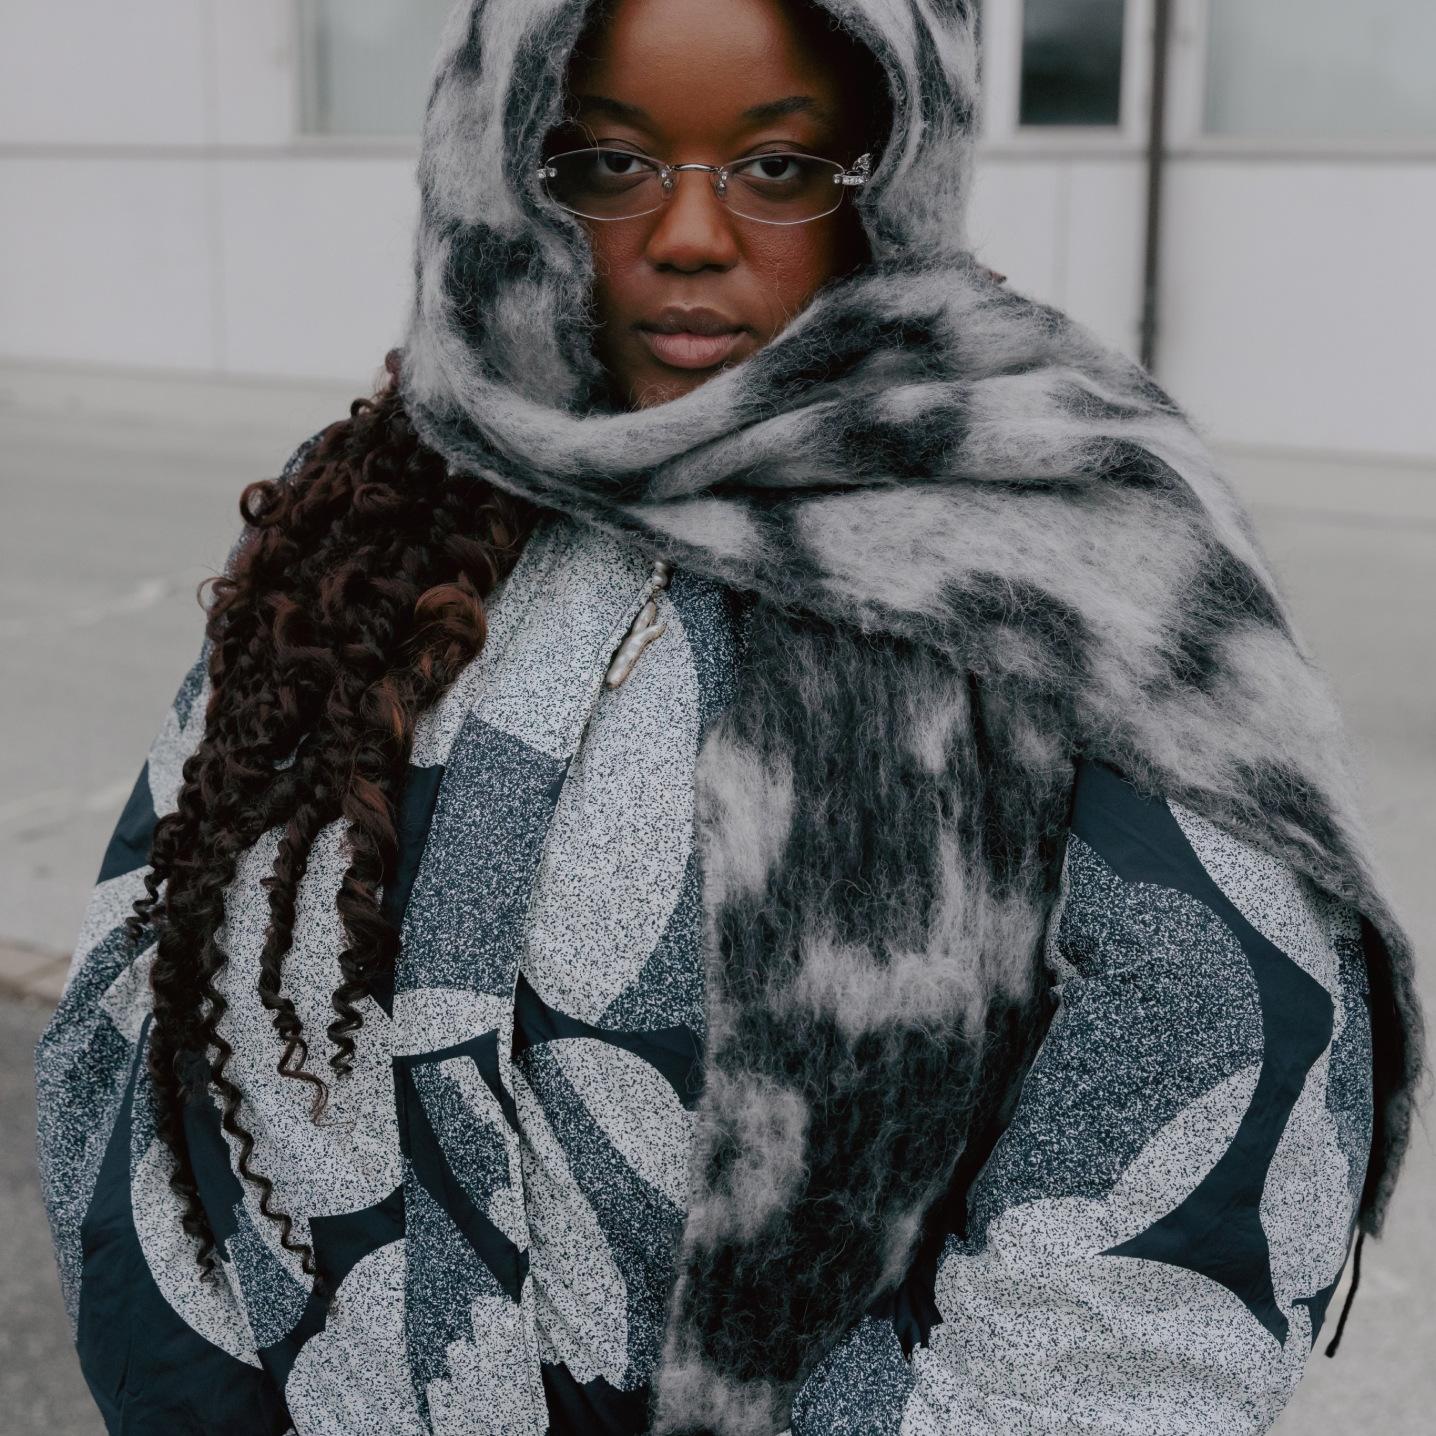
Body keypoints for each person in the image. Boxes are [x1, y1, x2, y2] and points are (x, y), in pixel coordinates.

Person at [34, 1, 1424, 1434]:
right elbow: (131, 1033)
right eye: (605, 164)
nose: (690, 235)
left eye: (777, 167)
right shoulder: (368, 524)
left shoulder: (1077, 537)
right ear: (498, 162)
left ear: (893, 167)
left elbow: (1188, 1146)